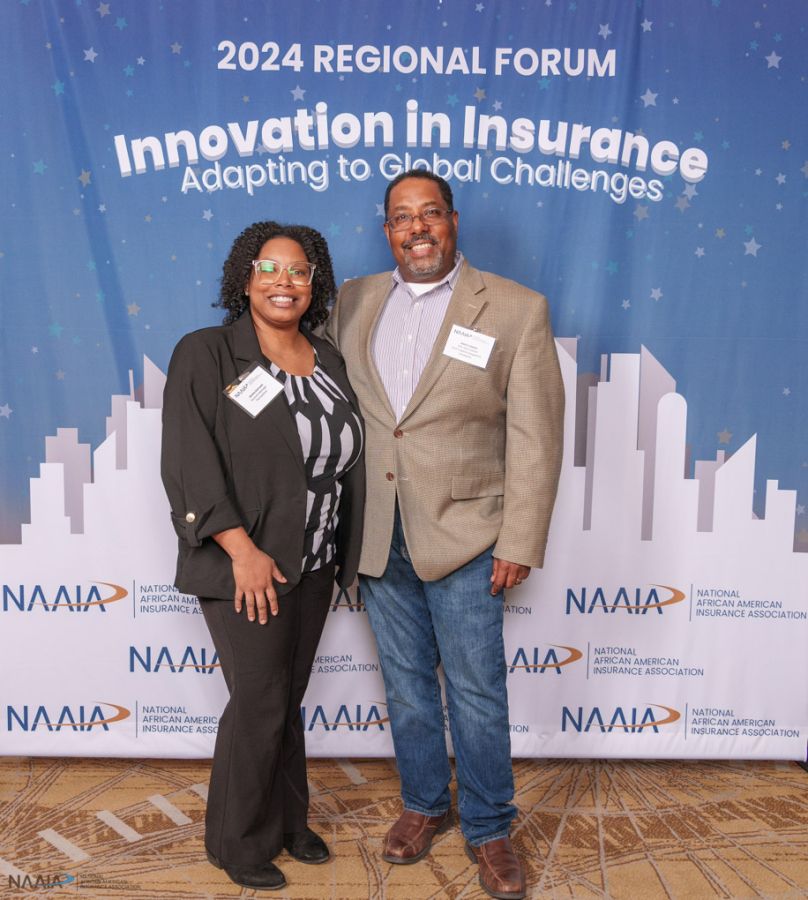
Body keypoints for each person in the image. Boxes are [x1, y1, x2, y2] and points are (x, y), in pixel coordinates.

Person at [327, 170, 564, 900]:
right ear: (387, 230)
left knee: (477, 692)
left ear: (453, 221)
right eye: (403, 218)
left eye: (430, 213)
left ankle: (490, 828)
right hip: (377, 532)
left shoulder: (516, 308)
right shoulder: (354, 299)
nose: (417, 228)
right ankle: (425, 804)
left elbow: (537, 434)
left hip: (468, 534)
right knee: (405, 688)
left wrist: (520, 538)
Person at [161, 221, 364, 891]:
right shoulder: (209, 352)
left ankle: (287, 823)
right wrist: (240, 549)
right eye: (269, 268)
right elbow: (189, 460)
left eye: (299, 271)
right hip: (247, 563)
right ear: (245, 279)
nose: (285, 281)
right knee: (260, 699)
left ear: (314, 284)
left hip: (315, 561)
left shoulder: (327, 358)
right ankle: (238, 840)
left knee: (287, 698)